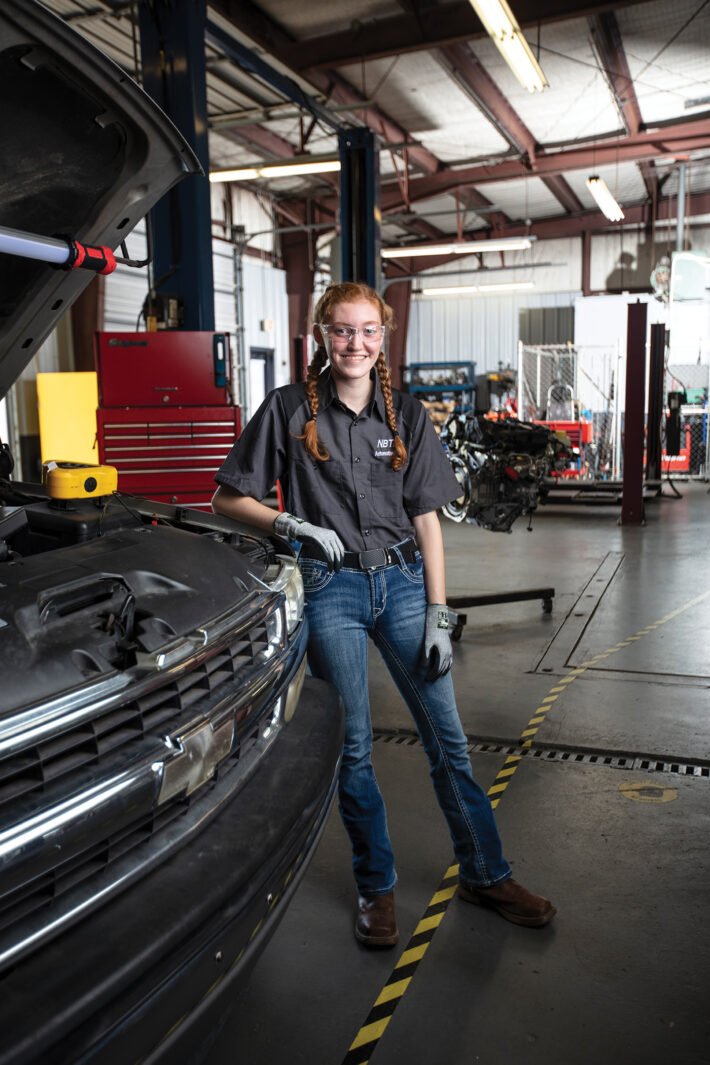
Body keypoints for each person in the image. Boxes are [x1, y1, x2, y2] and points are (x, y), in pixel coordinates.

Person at [212, 281, 555, 946]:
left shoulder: (406, 413)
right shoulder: (287, 409)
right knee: (354, 751)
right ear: (322, 335)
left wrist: (439, 611)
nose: (356, 343)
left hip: (400, 584)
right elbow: (229, 499)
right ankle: (376, 887)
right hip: (329, 588)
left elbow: (427, 519)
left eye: (369, 330)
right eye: (343, 330)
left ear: (384, 336)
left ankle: (487, 871)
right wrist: (289, 522)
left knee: (447, 741)